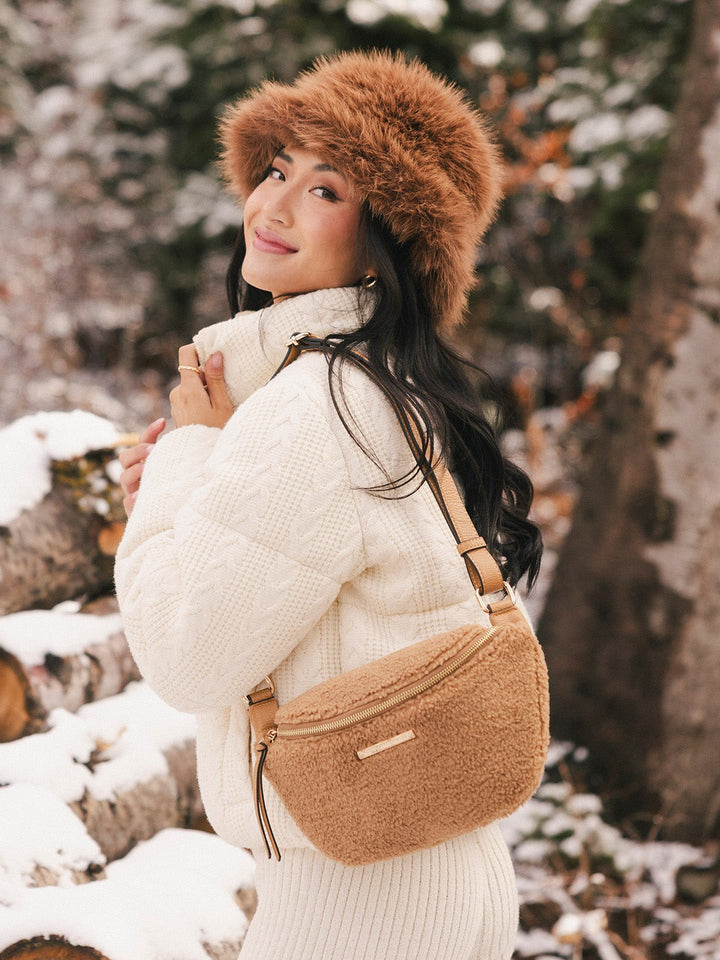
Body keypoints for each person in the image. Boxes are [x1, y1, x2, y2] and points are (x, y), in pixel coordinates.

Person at [115, 50, 542, 960]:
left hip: (357, 890)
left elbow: (187, 655)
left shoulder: (314, 409)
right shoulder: (381, 390)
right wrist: (190, 484)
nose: (271, 206)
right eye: (276, 170)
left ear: (390, 234)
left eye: (326, 187)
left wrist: (188, 450)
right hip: (432, 864)